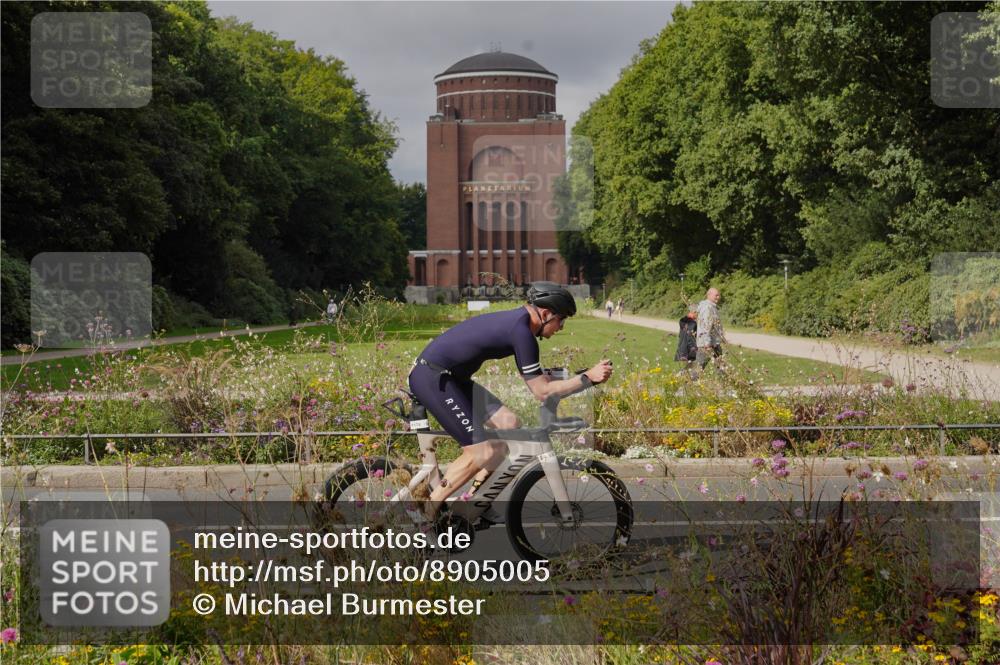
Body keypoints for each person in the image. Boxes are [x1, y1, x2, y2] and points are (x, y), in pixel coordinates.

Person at [408, 282, 613, 519]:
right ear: (546, 314)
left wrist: (578, 377)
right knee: (484, 454)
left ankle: (475, 503)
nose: (561, 327)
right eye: (561, 319)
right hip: (434, 378)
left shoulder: (520, 326)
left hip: (453, 378)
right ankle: (425, 511)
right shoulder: (522, 332)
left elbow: (539, 380)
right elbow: (542, 391)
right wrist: (588, 378)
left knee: (510, 423)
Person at [696, 287, 725, 369]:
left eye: (719, 295)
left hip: (715, 343)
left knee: (721, 367)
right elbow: (705, 327)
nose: (718, 297)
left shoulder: (712, 307)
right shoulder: (707, 308)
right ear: (709, 295)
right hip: (707, 345)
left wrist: (721, 338)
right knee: (698, 368)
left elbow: (715, 326)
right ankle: (683, 379)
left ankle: (723, 381)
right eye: (716, 295)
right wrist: (707, 344)